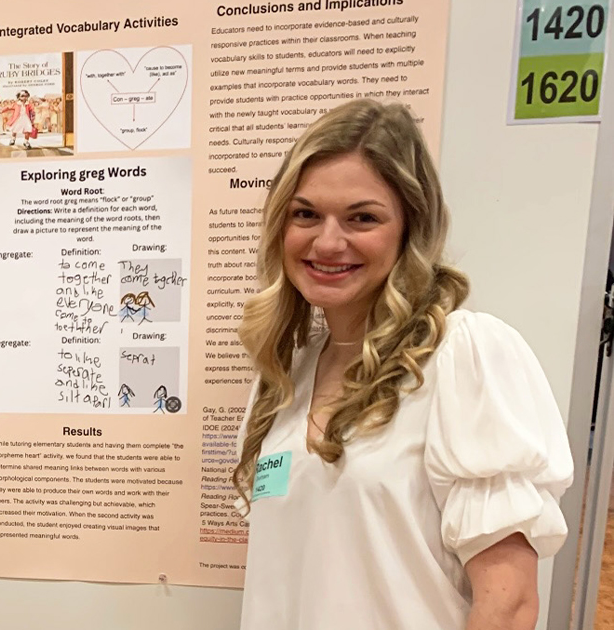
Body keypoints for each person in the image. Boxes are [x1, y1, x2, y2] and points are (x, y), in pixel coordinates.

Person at [232, 99, 573, 630]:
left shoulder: (462, 356)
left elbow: (508, 607)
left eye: (362, 218)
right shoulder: (282, 379)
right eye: (306, 214)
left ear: (409, 228)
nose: (327, 241)